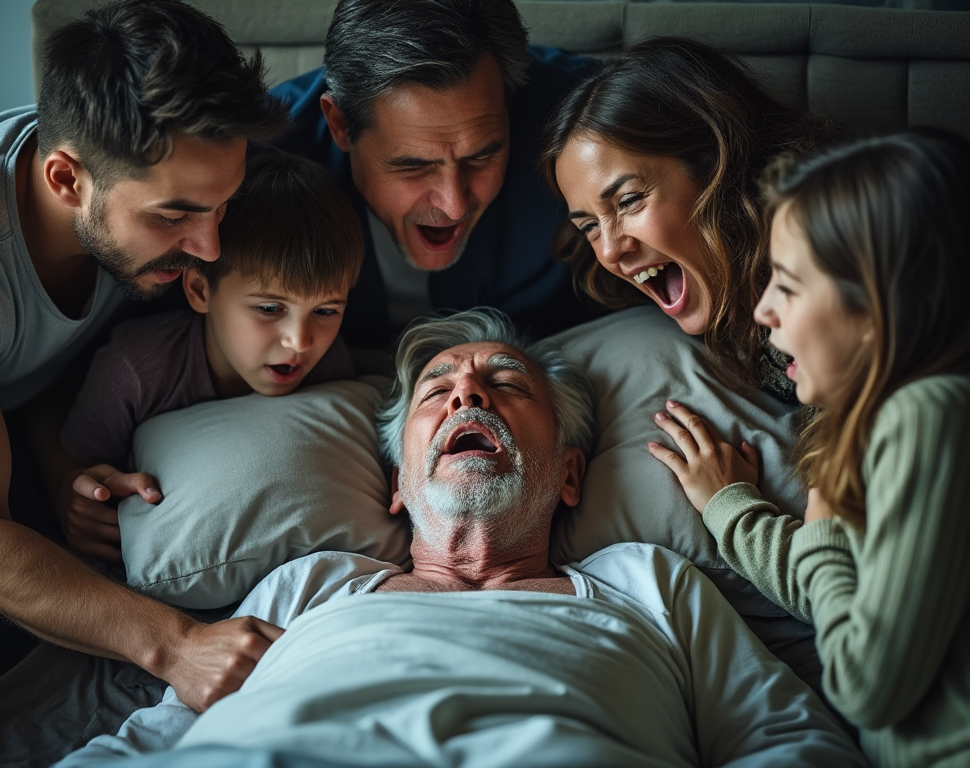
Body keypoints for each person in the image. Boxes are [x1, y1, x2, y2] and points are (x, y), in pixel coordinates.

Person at [55, 308, 865, 768]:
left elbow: (791, 742)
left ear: (570, 475)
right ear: (399, 486)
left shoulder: (649, 583)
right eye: (435, 390)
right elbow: (145, 744)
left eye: (506, 384)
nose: (467, 393)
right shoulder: (310, 585)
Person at [0, 0, 291, 715]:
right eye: (174, 216)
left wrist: (61, 463)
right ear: (66, 180)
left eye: (221, 206)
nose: (210, 247)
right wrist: (177, 646)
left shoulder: (137, 180)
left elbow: (41, 365)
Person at [649, 129, 970, 767]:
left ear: (877, 307)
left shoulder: (928, 413)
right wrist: (733, 508)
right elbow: (841, 599)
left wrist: (821, 526)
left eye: (789, 286)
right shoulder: (891, 421)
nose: (763, 310)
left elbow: (866, 684)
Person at [56, 151, 364, 561]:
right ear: (200, 291)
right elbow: (75, 462)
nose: (301, 341)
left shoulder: (330, 367)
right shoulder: (135, 369)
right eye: (269, 308)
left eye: (325, 311)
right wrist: (76, 494)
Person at [271, 0, 601, 359]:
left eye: (480, 156)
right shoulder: (257, 155)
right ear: (340, 125)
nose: (454, 205)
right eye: (414, 166)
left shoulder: (589, 118)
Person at [541, 36, 836, 401]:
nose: (610, 251)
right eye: (589, 226)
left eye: (628, 201)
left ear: (716, 166)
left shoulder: (833, 254)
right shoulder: (726, 294)